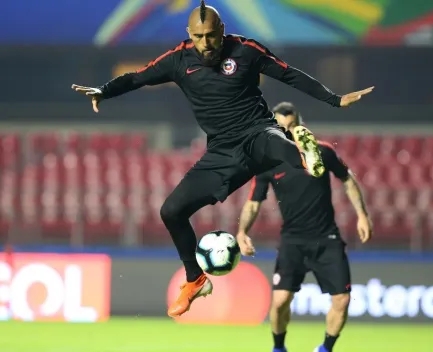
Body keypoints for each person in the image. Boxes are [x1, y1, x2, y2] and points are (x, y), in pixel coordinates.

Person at [71, 1, 374, 318]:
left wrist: (334, 99)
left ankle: (304, 153)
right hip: (221, 153)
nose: (206, 44)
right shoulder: (178, 60)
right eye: (199, 36)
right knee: (171, 211)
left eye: (212, 36)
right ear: (189, 34)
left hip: (258, 132)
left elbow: (289, 75)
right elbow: (138, 77)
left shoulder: (245, 50)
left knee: (276, 143)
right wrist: (104, 91)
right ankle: (196, 279)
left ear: (222, 31)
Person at [236, 102, 372, 352]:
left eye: (292, 125)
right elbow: (253, 203)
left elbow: (347, 180)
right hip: (293, 241)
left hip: (327, 238)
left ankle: (325, 349)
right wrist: (242, 232)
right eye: (282, 128)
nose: (288, 131)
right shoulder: (268, 163)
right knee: (279, 302)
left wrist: (362, 215)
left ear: (301, 124)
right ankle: (279, 348)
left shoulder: (323, 152)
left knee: (342, 300)